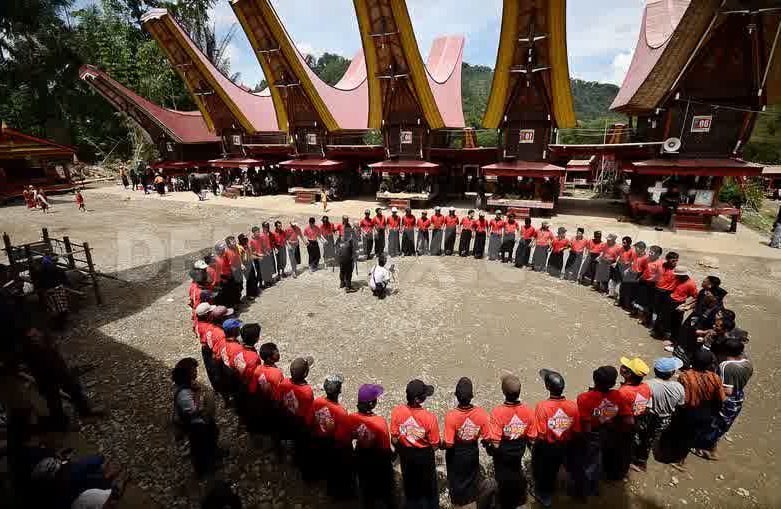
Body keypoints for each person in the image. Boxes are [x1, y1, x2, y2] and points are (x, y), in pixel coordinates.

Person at [574, 366, 632, 497]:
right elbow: (629, 421)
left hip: (592, 434)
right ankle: (596, 484)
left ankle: (585, 490)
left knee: (588, 462)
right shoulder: (617, 395)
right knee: (600, 458)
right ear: (613, 383)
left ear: (594, 380)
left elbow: (586, 423)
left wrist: (585, 440)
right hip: (609, 432)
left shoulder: (584, 398)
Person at [666, 349, 725, 471]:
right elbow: (720, 399)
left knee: (681, 433)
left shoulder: (685, 376)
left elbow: (682, 397)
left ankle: (678, 459)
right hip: (705, 412)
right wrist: (713, 412)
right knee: (692, 435)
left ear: (692, 361)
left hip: (687, 411)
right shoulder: (715, 378)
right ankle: (681, 458)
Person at [697, 339, 753, 460]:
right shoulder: (748, 363)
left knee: (714, 423)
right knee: (724, 424)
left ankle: (705, 447)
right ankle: (711, 444)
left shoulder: (726, 366)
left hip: (726, 400)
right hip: (738, 398)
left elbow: (727, 390)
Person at [485, 374, 535, 509]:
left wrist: (487, 445)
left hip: (502, 455)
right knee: (516, 470)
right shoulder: (529, 411)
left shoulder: (497, 412)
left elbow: (495, 444)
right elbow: (532, 438)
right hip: (519, 451)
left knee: (502, 479)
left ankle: (504, 500)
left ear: (503, 392)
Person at [532, 369, 579, 507]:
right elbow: (576, 430)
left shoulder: (542, 407)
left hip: (548, 446)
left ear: (547, 387)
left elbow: (540, 434)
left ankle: (543, 495)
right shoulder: (573, 406)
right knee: (558, 467)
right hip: (566, 444)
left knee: (544, 471)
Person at [390, 379, 440, 509]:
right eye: (424, 395)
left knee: (411, 487)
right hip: (424, 457)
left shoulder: (397, 411)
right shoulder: (430, 418)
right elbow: (435, 444)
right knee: (429, 491)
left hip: (406, 456)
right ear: (419, 400)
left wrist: (403, 448)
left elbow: (394, 438)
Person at [443, 377, 488, 509]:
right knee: (471, 475)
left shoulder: (451, 416)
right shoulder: (481, 414)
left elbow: (449, 444)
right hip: (472, 449)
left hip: (455, 453)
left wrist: (440, 444)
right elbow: (487, 438)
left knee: (455, 478)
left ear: (456, 396)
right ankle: (471, 499)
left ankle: (457, 502)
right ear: (472, 396)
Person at [349, 384, 396, 508]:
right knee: (386, 487)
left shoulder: (351, 418)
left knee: (365, 486)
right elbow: (386, 448)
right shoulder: (379, 422)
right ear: (371, 404)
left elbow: (351, 435)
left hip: (361, 454)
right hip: (378, 459)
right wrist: (394, 455)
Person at [634, 357, 685, 471]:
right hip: (665, 420)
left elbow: (639, 407)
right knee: (652, 437)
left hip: (648, 418)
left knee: (642, 439)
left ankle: (640, 461)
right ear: (672, 373)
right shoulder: (678, 387)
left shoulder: (647, 385)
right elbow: (680, 405)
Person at [171, 358, 218, 478]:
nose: (196, 372)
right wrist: (197, 393)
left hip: (199, 420)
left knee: (211, 435)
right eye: (193, 370)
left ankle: (213, 456)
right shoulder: (183, 394)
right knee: (200, 447)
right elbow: (193, 411)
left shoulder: (188, 386)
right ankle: (204, 471)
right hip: (195, 425)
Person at [311, 375, 354, 499]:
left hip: (320, 440)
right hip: (335, 446)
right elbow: (344, 438)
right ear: (339, 391)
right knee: (337, 472)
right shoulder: (341, 412)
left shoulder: (317, 402)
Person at [276, 357, 316, 479]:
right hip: (300, 422)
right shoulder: (306, 391)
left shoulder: (284, 383)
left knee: (288, 438)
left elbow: (278, 399)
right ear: (305, 373)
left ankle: (286, 454)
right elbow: (309, 412)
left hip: (286, 416)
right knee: (301, 445)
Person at [616, 357, 652, 478]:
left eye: (626, 367)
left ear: (629, 374)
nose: (622, 368)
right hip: (637, 420)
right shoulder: (646, 387)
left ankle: (618, 472)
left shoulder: (624, 392)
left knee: (620, 449)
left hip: (624, 425)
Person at [249, 342, 284, 437]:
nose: (278, 354)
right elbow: (278, 395)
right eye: (276, 352)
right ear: (269, 358)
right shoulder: (277, 373)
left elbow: (252, 389)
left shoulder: (258, 369)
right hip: (272, 405)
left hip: (261, 402)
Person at [665, 266, 699, 346]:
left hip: (679, 304)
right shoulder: (678, 279)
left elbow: (696, 297)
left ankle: (673, 340)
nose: (676, 276)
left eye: (677, 275)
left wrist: (685, 305)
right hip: (671, 300)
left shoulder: (691, 284)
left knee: (676, 323)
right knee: (668, 319)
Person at [650, 252, 680, 338]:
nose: (675, 262)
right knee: (656, 309)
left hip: (669, 293)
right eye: (673, 260)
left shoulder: (677, 270)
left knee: (665, 312)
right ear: (667, 259)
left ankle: (663, 329)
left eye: (676, 260)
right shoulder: (661, 266)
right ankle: (654, 326)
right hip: (658, 290)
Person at [636, 245, 663, 326]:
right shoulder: (647, 260)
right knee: (642, 301)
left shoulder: (659, 263)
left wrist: (649, 280)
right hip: (643, 282)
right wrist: (640, 278)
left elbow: (658, 276)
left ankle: (647, 320)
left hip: (652, 285)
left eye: (652, 253)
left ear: (658, 254)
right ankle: (641, 317)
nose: (650, 254)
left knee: (649, 303)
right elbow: (644, 270)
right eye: (650, 252)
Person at [619, 242, 646, 312]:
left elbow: (645, 270)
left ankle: (632, 309)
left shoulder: (645, 258)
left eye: (636, 248)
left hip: (637, 276)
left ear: (642, 249)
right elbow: (632, 263)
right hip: (631, 274)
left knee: (633, 294)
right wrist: (628, 270)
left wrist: (639, 278)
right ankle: (625, 305)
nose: (635, 249)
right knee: (625, 290)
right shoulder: (635, 255)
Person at [337, 221, 357, 292]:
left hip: (341, 259)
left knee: (342, 271)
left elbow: (336, 247)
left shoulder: (339, 238)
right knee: (348, 272)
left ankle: (342, 283)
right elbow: (353, 250)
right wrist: (354, 257)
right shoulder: (350, 240)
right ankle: (348, 287)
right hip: (348, 259)